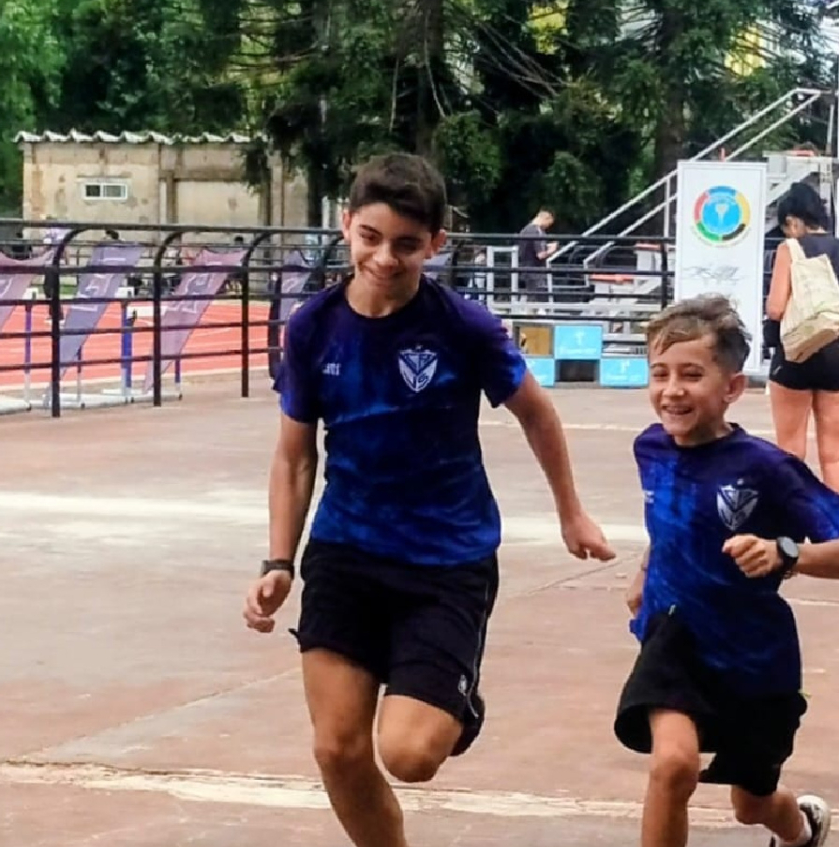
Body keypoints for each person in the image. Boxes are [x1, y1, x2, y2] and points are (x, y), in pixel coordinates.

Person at [242, 153, 614, 847]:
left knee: (409, 755)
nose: (385, 258)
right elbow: (295, 454)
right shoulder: (313, 326)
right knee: (337, 750)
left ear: (436, 243)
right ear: (347, 226)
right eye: (371, 237)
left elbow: (537, 414)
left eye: (407, 244)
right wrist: (278, 560)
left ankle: (452, 694)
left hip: (447, 560)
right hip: (346, 553)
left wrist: (572, 512)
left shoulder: (463, 327)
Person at [618, 294, 839, 847]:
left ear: (731, 388)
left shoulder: (767, 467)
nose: (672, 390)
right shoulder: (650, 448)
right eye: (659, 373)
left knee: (751, 805)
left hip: (755, 657)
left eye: (691, 375)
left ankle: (801, 830)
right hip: (675, 635)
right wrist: (644, 572)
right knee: (673, 765)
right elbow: (669, 521)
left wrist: (785, 552)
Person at [764, 182, 839, 497]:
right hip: (837, 354)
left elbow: (775, 308)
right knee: (834, 456)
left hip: (795, 356)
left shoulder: (790, 249)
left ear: (792, 220)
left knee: (790, 451)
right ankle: (837, 522)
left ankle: (792, 519)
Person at [516, 208, 558, 302]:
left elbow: (530, 248)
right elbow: (540, 255)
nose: (547, 227)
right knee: (537, 298)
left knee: (531, 296)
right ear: (546, 219)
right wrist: (552, 250)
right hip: (535, 270)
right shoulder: (536, 231)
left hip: (526, 267)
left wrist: (546, 246)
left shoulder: (525, 230)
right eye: (549, 224)